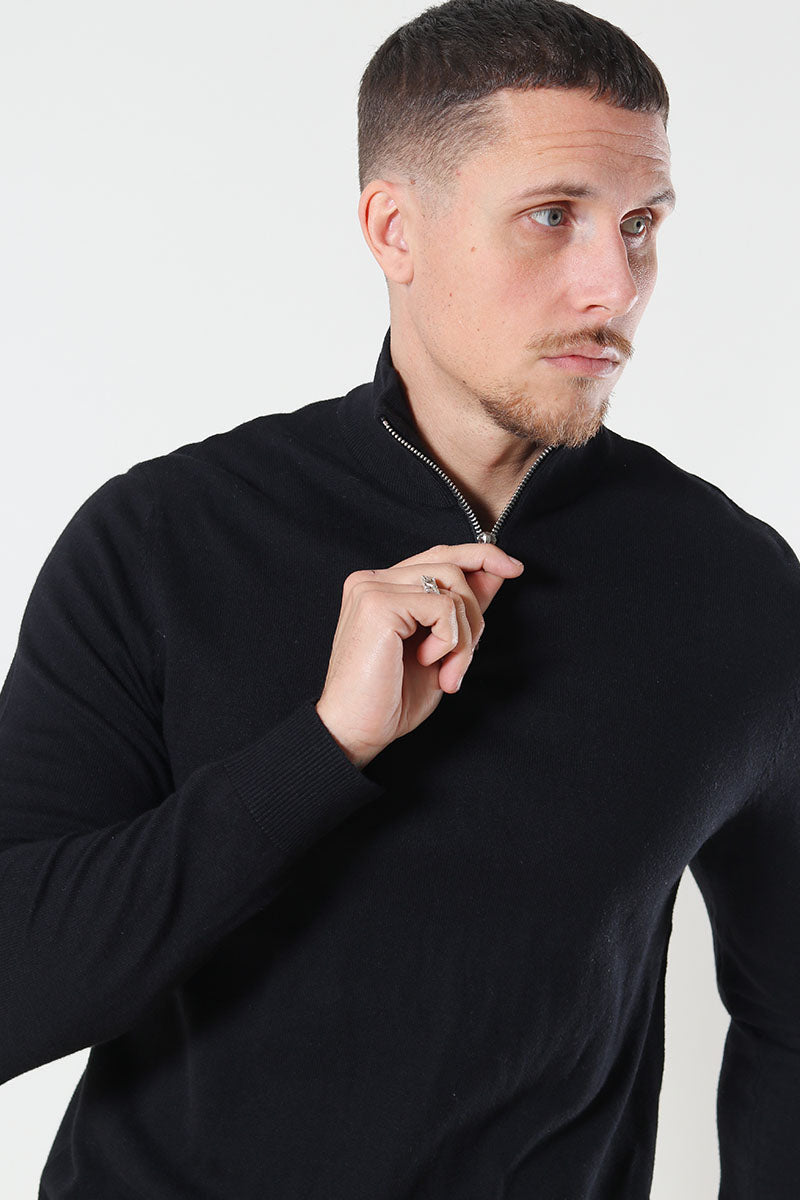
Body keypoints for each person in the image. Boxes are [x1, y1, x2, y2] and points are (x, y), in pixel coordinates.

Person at [1, 0, 798, 1196]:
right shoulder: (163, 539)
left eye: (638, 224)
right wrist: (323, 749)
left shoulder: (731, 587)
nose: (612, 285)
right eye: (552, 215)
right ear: (394, 229)